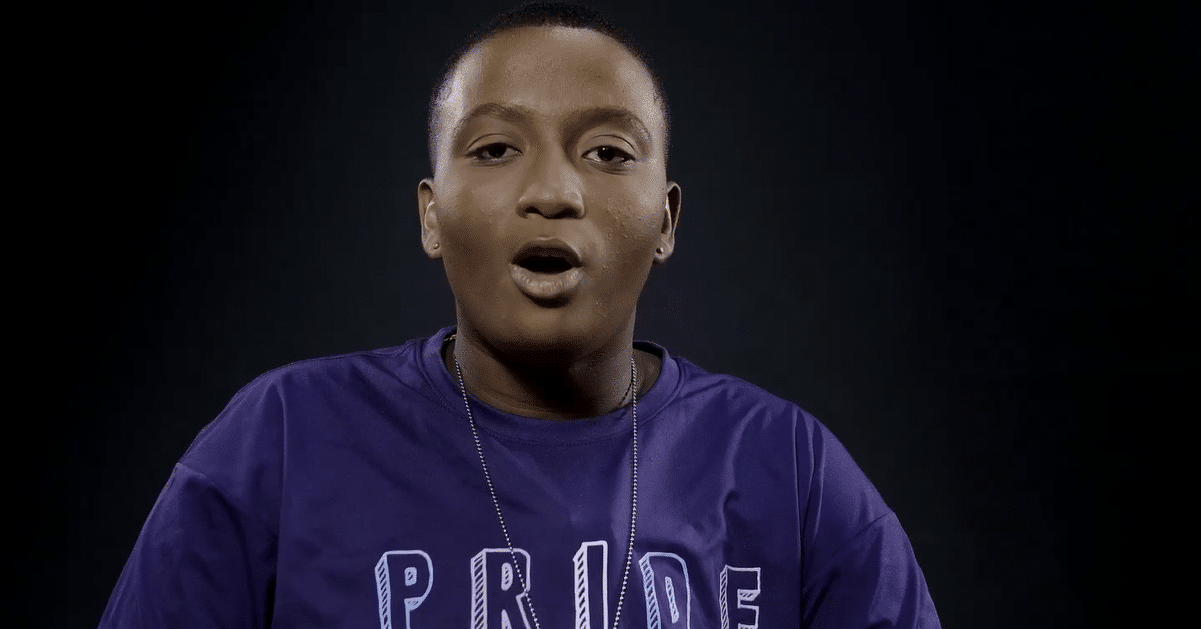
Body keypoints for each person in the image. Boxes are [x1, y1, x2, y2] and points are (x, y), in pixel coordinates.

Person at [100, 2, 941, 627]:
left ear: (666, 220)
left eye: (608, 151)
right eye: (496, 148)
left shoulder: (789, 468)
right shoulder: (280, 442)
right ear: (432, 214)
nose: (552, 191)